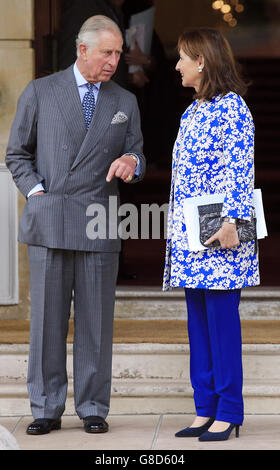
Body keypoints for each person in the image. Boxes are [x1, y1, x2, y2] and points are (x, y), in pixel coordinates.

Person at [6, 15, 145, 435]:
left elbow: (139, 151)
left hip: (99, 219)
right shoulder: (41, 91)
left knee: (95, 322)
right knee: (47, 320)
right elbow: (17, 155)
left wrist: (131, 162)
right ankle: (46, 407)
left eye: (119, 53)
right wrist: (36, 193)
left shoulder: (124, 101)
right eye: (107, 52)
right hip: (51, 217)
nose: (114, 62)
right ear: (82, 50)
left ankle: (93, 406)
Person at [163, 28, 260, 441]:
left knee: (221, 324)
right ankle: (205, 408)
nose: (177, 65)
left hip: (222, 231)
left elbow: (240, 169)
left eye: (183, 57)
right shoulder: (192, 111)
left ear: (202, 62)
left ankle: (230, 410)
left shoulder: (232, 108)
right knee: (198, 324)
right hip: (189, 232)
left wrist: (233, 224)